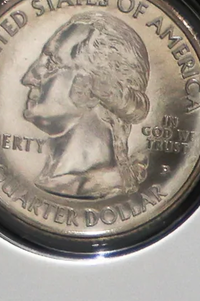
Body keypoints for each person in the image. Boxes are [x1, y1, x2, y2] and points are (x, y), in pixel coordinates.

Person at [19, 12, 151, 199]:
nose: (28, 78)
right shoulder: (52, 182)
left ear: (93, 89)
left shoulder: (97, 188)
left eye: (51, 64)